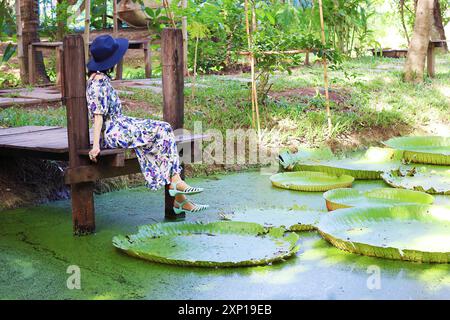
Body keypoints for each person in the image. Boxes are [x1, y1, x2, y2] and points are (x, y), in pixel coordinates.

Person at [86, 35, 208, 214]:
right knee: (159, 132)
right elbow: (98, 116)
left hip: (121, 124)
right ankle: (177, 187)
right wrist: (96, 146)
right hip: (113, 132)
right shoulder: (97, 84)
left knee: (164, 128)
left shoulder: (101, 79)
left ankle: (178, 194)